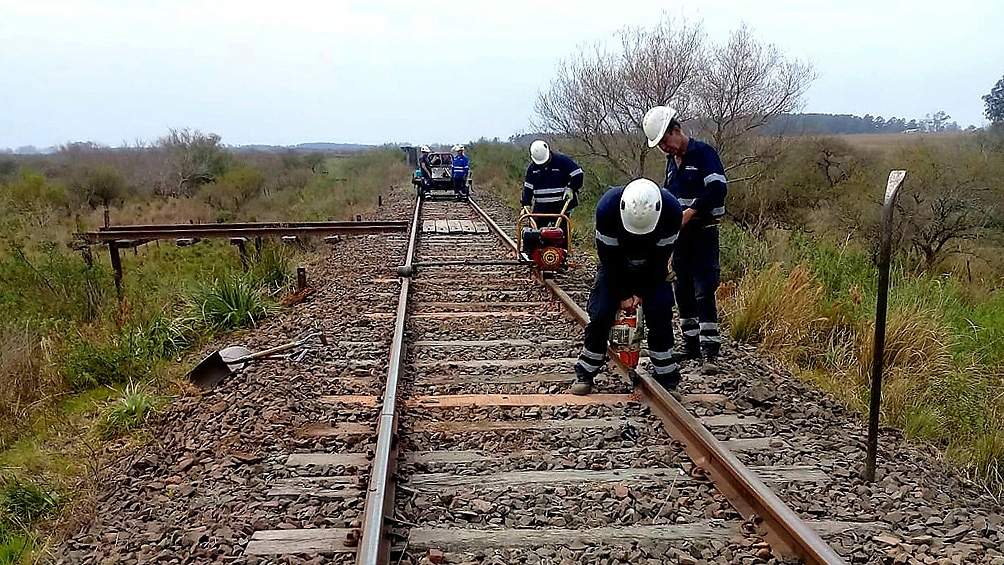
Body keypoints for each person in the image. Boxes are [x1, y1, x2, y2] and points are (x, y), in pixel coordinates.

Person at [570, 179, 683, 395]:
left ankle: (667, 377)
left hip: (652, 267)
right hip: (615, 264)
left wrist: (640, 292)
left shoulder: (672, 211)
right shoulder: (608, 207)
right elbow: (608, 258)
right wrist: (622, 294)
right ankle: (585, 372)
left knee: (659, 311)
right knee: (602, 313)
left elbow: (660, 259)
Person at [643, 106, 728, 375]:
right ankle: (691, 343)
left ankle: (710, 351)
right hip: (680, 234)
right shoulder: (672, 161)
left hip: (703, 230)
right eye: (660, 145)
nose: (664, 148)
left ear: (676, 131)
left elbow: (718, 189)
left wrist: (691, 212)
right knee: (683, 288)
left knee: (704, 288)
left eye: (665, 141)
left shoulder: (703, 154)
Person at [522, 140, 583, 224]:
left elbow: (578, 175)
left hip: (561, 207)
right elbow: (528, 188)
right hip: (541, 208)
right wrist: (526, 203)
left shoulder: (562, 161)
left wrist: (571, 188)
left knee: (561, 233)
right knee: (534, 232)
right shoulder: (532, 169)